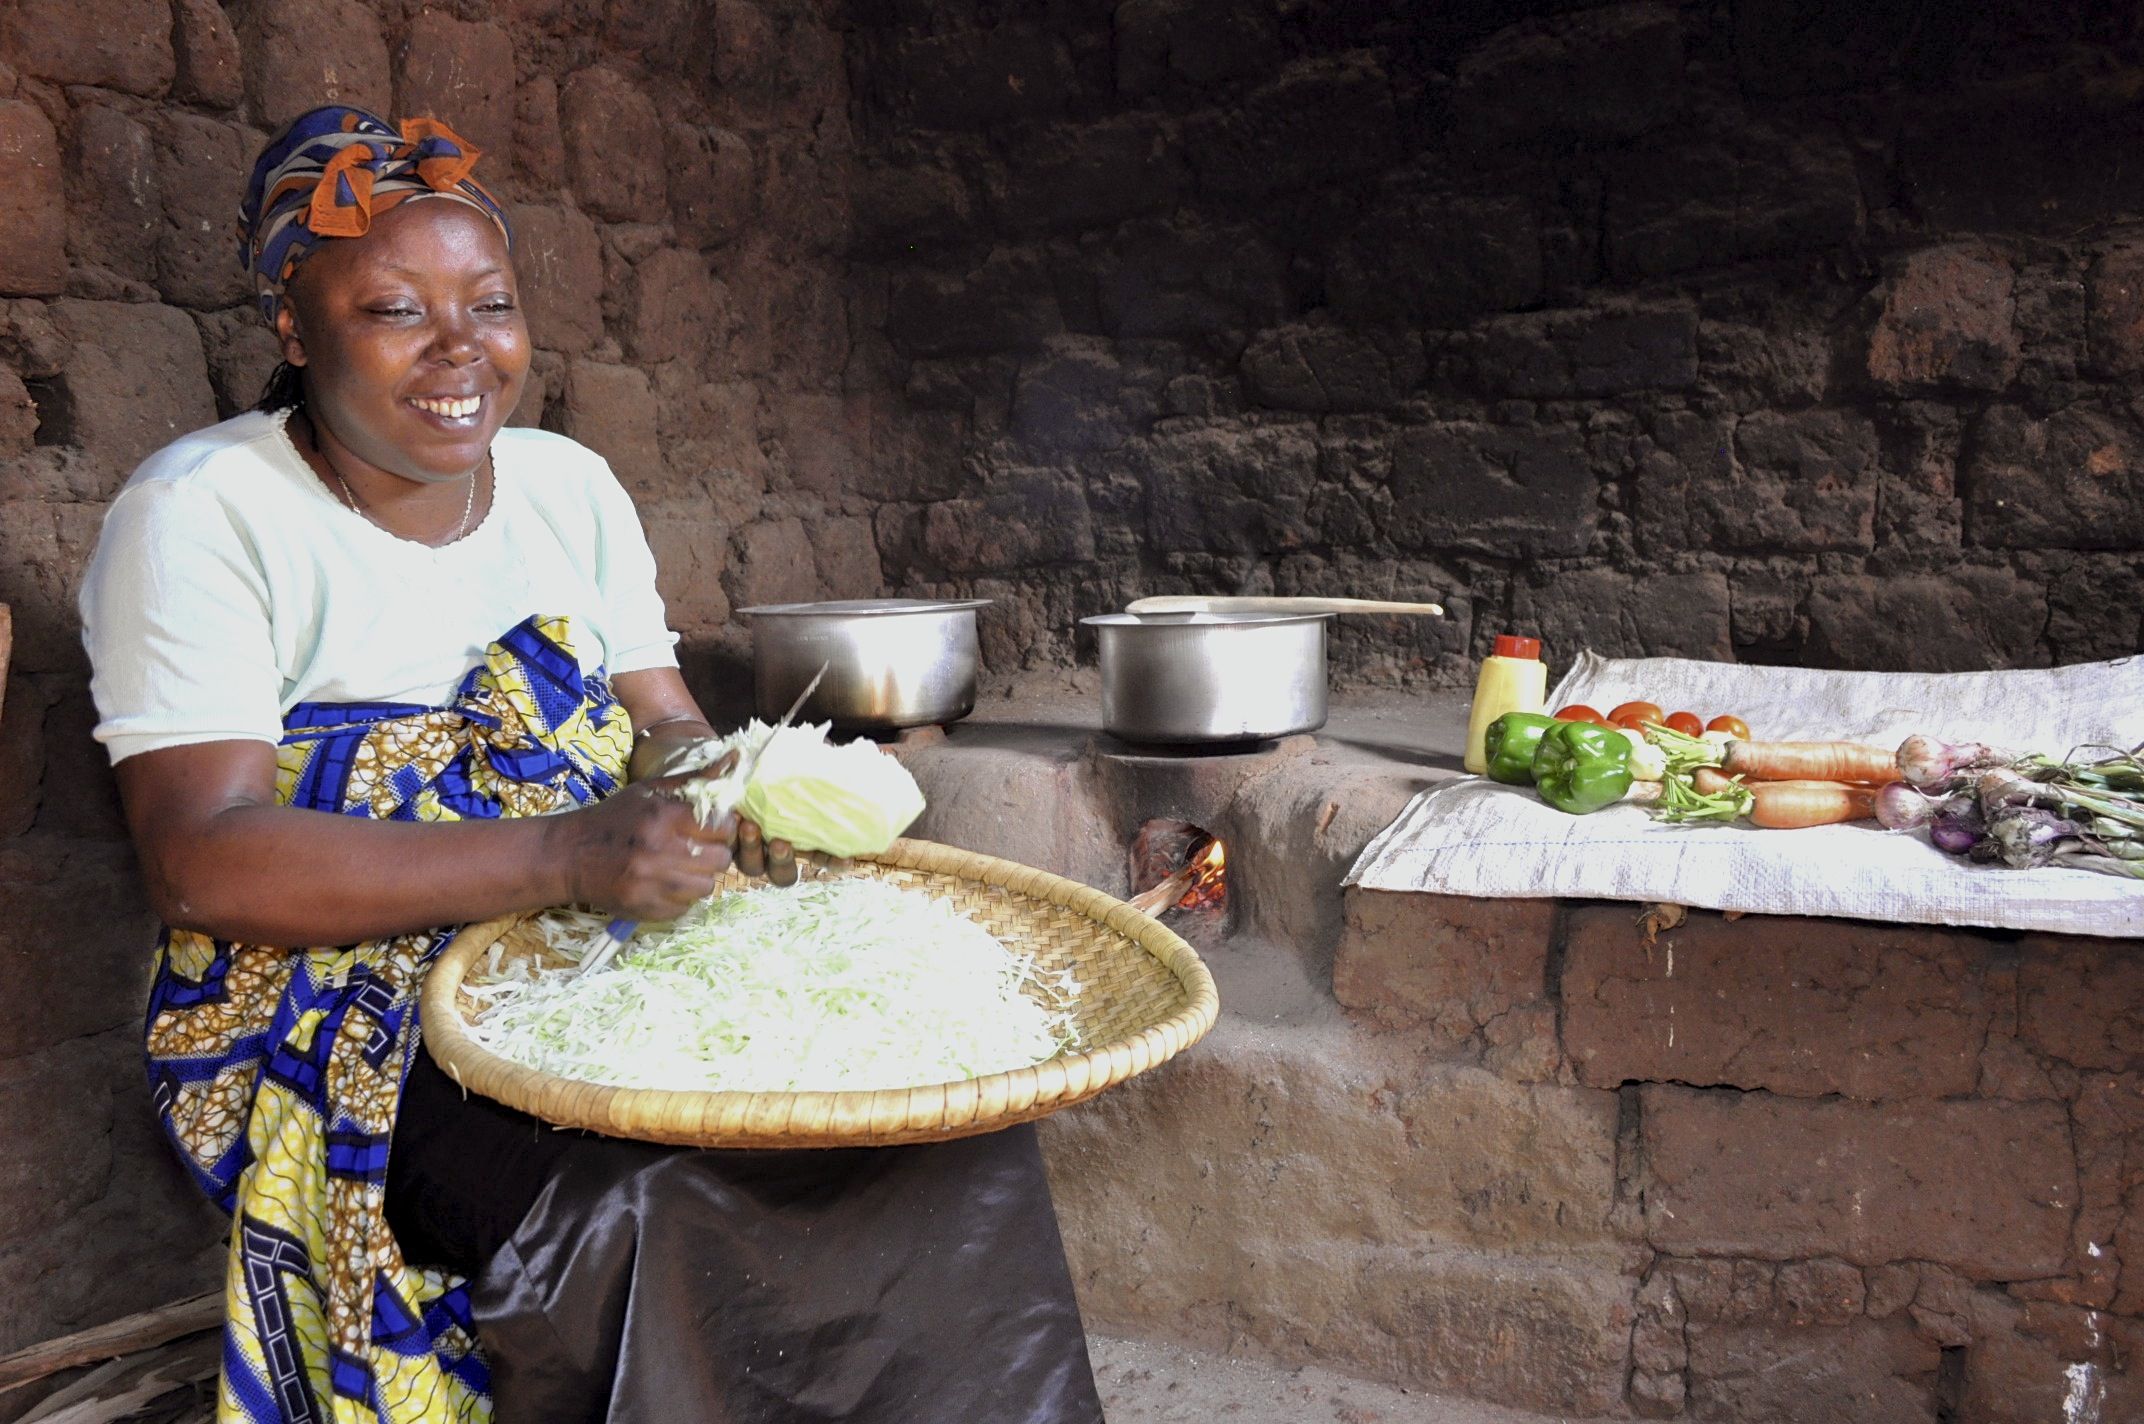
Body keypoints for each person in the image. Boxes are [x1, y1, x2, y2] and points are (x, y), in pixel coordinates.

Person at [78, 105, 1106, 1424]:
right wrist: (566, 854)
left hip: (591, 950)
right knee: (658, 1200)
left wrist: (726, 799)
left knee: (939, 1135)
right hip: (329, 1012)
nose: (461, 350)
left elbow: (665, 724)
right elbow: (200, 860)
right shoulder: (202, 513)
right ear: (294, 326)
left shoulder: (569, 488)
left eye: (490, 303)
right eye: (396, 310)